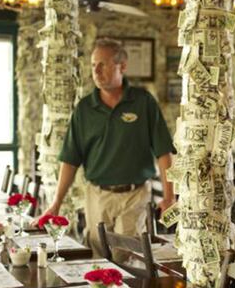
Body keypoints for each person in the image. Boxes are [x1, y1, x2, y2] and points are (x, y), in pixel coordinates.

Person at [38, 38, 175, 257]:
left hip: (135, 194)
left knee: (124, 254)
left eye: (103, 64)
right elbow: (70, 160)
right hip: (97, 195)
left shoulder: (143, 102)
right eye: (93, 65)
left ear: (122, 66)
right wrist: (56, 203)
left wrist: (170, 196)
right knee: (99, 255)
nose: (97, 71)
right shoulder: (84, 109)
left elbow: (164, 152)